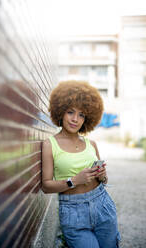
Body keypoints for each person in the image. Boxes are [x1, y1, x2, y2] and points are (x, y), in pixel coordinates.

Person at [42, 80, 120, 248]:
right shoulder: (50, 144)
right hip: (73, 211)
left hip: (102, 205)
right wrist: (74, 181)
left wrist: (102, 176)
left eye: (82, 115)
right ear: (60, 112)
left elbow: (104, 180)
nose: (75, 119)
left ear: (87, 118)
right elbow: (46, 186)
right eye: (70, 112)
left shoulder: (91, 144)